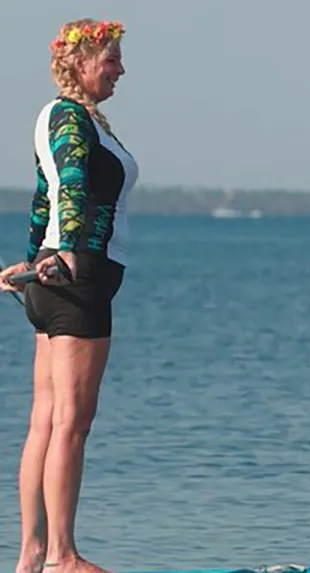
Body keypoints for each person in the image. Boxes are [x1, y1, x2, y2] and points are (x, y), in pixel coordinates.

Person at [1, 18, 138, 573]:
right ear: (81, 64)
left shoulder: (76, 119)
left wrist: (35, 257)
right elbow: (72, 182)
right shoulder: (68, 117)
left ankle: (31, 557)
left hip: (56, 276)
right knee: (71, 424)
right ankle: (62, 556)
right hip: (78, 281)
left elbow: (44, 195)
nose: (121, 69)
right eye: (112, 60)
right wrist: (67, 256)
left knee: (48, 420)